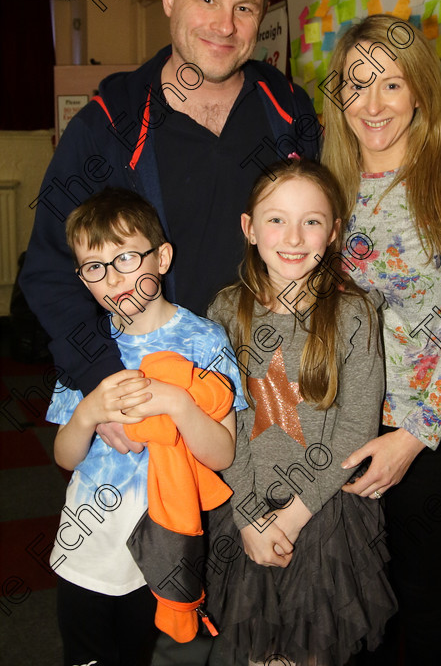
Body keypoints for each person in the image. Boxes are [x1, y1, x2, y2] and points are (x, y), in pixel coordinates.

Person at [20, 0, 320, 448]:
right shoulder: (107, 127)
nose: (225, 26)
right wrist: (105, 382)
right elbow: (49, 271)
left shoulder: (290, 113)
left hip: (272, 397)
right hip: (152, 405)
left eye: (245, 8)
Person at [321, 14, 441, 666]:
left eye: (392, 85)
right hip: (338, 431)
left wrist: (411, 437)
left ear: (421, 93)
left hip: (435, 442)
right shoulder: (325, 189)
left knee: (423, 608)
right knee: (355, 607)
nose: (372, 105)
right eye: (357, 84)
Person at [204, 158, 397, 666]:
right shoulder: (224, 311)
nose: (294, 236)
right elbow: (221, 423)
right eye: (276, 219)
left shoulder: (355, 313)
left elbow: (356, 426)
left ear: (333, 232)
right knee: (256, 650)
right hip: (243, 505)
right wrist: (249, 518)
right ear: (248, 228)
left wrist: (294, 516)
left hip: (324, 515)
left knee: (311, 652)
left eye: (311, 220)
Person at [47, 187, 246, 666]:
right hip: (87, 541)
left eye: (127, 259)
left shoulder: (203, 340)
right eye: (95, 267)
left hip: (160, 543)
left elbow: (222, 455)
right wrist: (89, 412)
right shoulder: (88, 348)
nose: (113, 279)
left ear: (162, 258)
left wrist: (179, 403)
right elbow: (64, 456)